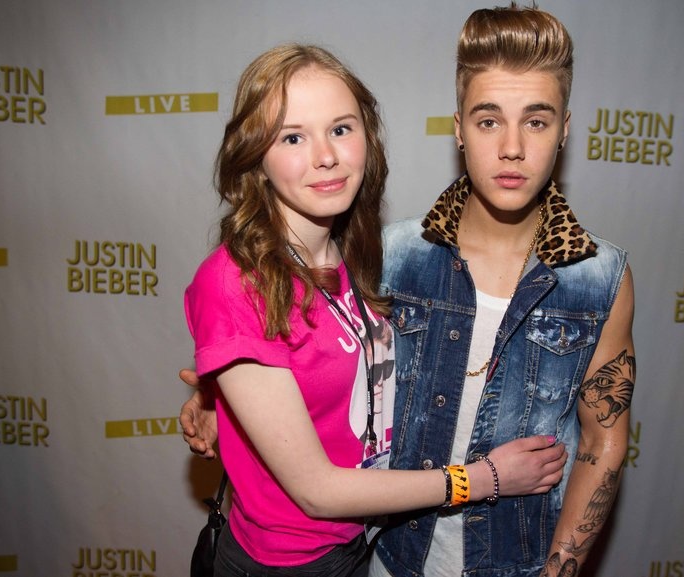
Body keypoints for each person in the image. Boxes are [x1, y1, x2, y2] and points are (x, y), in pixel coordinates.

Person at [182, 4, 636, 575]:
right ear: (459, 129)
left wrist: (558, 570)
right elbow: (277, 334)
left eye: (537, 122)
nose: (512, 147)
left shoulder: (599, 278)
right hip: (387, 555)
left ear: (564, 129)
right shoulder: (392, 253)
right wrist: (220, 397)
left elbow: (602, 442)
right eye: (489, 121)